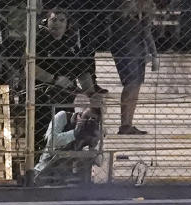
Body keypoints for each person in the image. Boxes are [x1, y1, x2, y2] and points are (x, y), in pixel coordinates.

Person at [34, 7, 104, 148]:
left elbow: (82, 72)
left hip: (65, 98)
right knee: (43, 137)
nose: (57, 23)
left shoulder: (70, 45)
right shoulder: (38, 41)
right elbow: (29, 68)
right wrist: (55, 79)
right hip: (41, 96)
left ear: (67, 24)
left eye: (62, 20)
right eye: (53, 20)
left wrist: (91, 94)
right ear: (46, 22)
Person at [110, 0, 158, 134]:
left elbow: (146, 32)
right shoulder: (123, 6)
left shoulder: (148, 6)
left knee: (136, 86)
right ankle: (124, 124)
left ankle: (128, 123)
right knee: (130, 84)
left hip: (138, 49)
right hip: (124, 48)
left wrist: (153, 54)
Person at [33, 106, 102, 184]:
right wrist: (75, 133)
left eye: (92, 120)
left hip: (66, 177)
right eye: (86, 117)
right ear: (79, 115)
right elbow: (51, 141)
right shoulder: (63, 116)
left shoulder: (90, 132)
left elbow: (99, 162)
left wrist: (94, 143)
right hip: (44, 171)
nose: (87, 121)